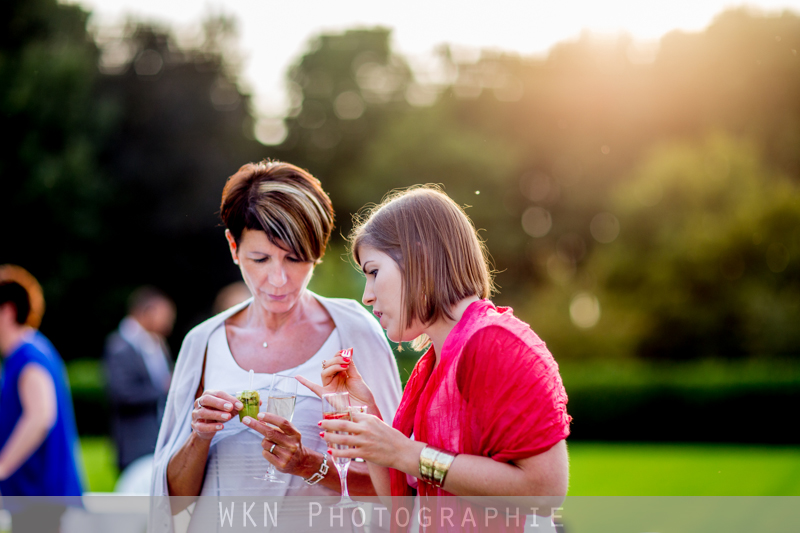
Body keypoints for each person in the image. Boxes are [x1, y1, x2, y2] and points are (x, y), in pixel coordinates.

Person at [150, 161, 403, 532]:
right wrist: (199, 436)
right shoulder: (203, 343)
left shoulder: (353, 332)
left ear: (316, 252)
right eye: (260, 258)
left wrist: (309, 465)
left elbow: (400, 488)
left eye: (295, 258)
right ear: (234, 247)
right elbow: (172, 503)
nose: (278, 279)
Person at [305, 186, 571, 532]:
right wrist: (365, 416)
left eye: (373, 272)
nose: (368, 296)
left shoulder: (495, 342)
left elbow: (545, 490)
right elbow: (402, 506)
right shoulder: (432, 364)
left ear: (420, 259)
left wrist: (406, 453)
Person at [0, 265, 83, 532]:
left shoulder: (28, 356)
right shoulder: (28, 353)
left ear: (8, 310)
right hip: (38, 500)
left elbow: (39, 417)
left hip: (41, 500)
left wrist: (1, 467)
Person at [104, 286, 176, 473]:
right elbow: (122, 393)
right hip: (135, 444)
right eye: (165, 315)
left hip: (158, 439)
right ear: (147, 312)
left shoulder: (156, 343)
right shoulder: (119, 345)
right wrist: (164, 388)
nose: (169, 322)